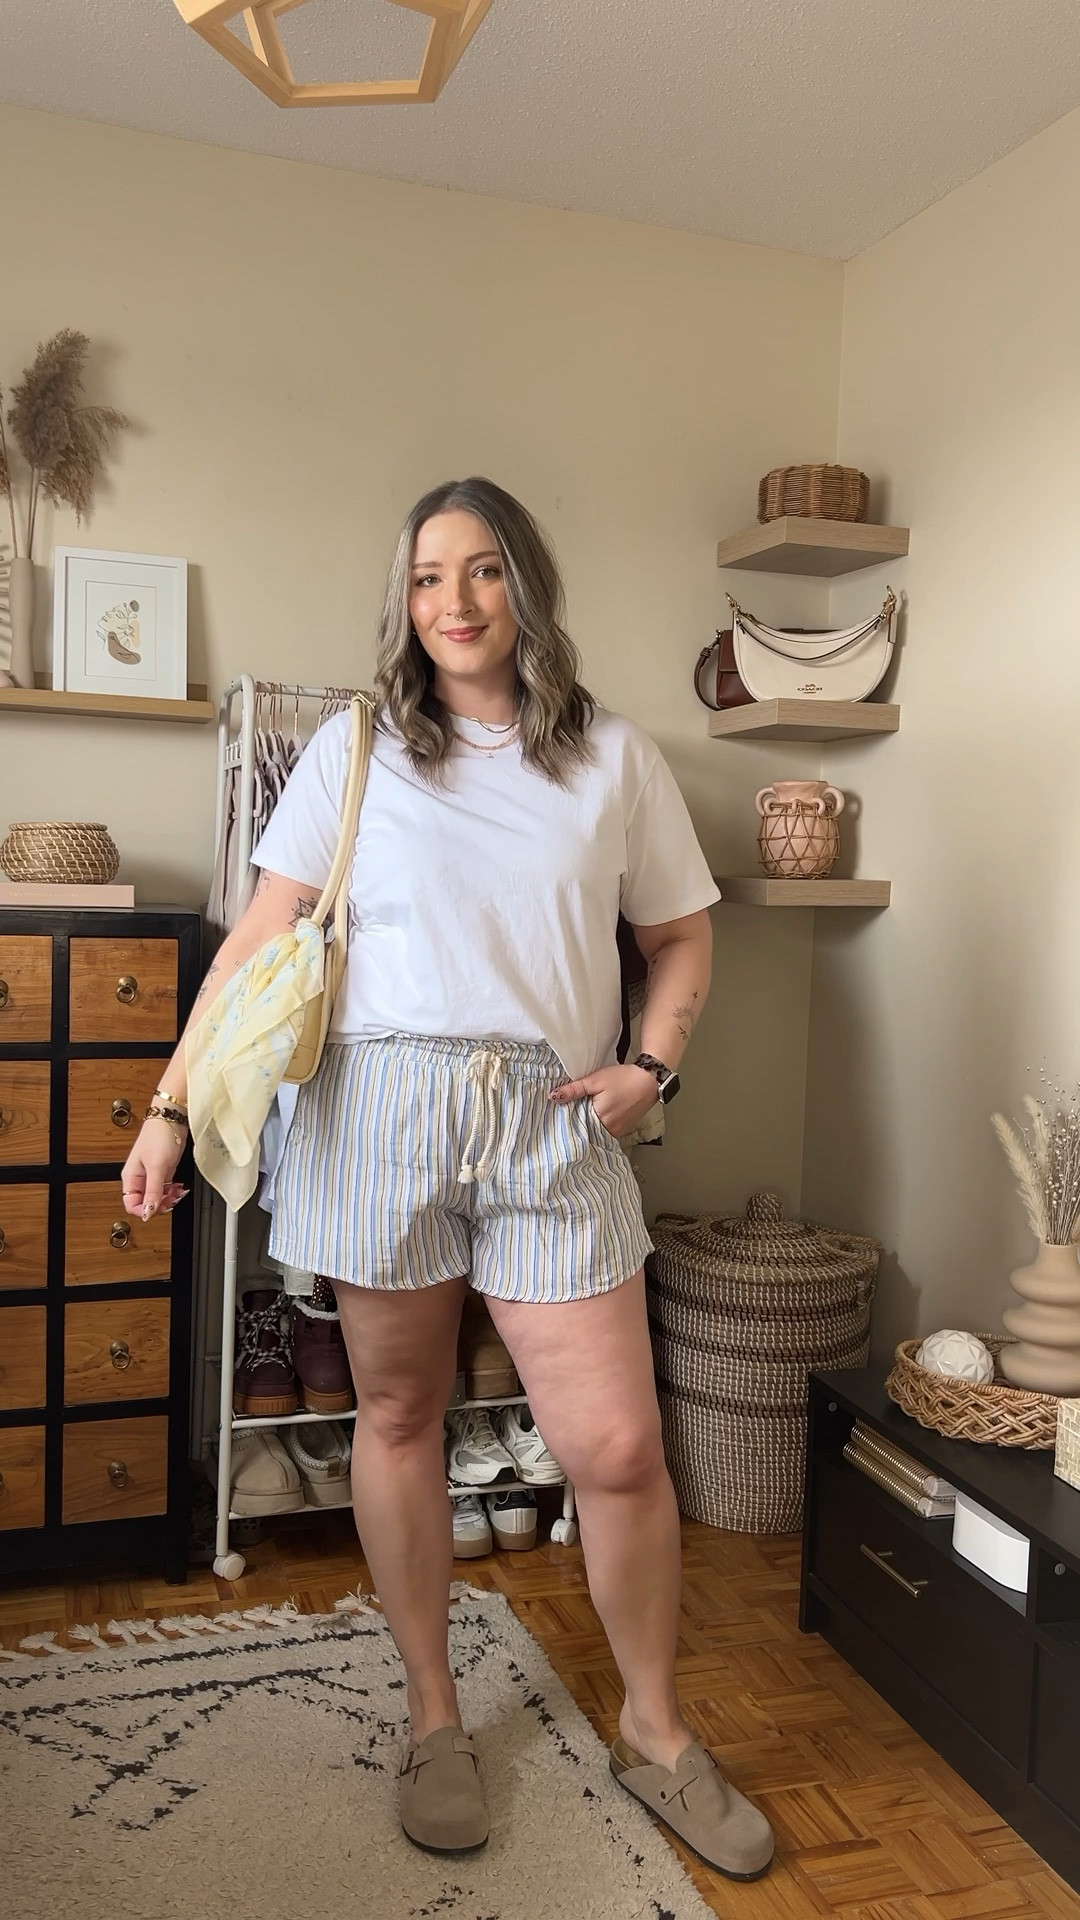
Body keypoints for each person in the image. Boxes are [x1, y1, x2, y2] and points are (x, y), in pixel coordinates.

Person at [122, 477, 774, 1879]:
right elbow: (253, 948)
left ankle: (656, 1733)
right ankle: (434, 1719)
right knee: (402, 1414)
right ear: (404, 601)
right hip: (380, 1111)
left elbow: (681, 940)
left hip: (552, 1116)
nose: (456, 604)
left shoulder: (612, 757)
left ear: (526, 588)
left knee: (615, 1450)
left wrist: (651, 1070)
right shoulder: (354, 747)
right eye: (428, 579)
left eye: (483, 573)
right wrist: (168, 1107)